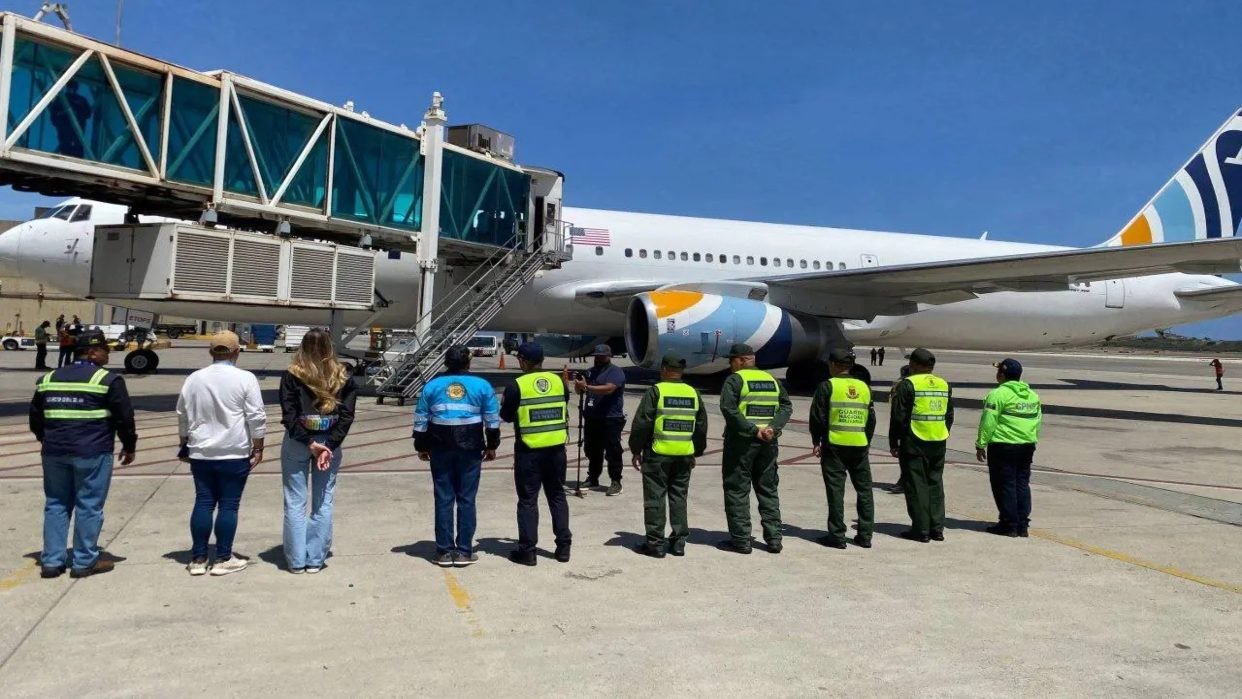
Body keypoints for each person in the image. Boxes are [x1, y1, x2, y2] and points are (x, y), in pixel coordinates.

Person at [29, 328, 136, 579]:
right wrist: (129, 446)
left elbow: (35, 418)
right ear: (92, 352)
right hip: (92, 451)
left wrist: (48, 439)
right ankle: (84, 562)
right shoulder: (107, 380)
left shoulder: (48, 378)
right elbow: (124, 418)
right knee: (89, 506)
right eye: (105, 349)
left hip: (54, 451)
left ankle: (52, 562)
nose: (108, 354)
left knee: (56, 504)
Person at [176, 331, 266, 576]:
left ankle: (198, 558)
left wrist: (184, 443)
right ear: (237, 352)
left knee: (203, 501)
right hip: (233, 451)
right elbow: (256, 416)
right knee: (229, 505)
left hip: (201, 452)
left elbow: (183, 414)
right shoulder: (245, 378)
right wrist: (258, 446)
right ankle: (223, 557)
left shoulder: (194, 379)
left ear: (210, 352)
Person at [414, 345, 500, 567]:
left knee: (444, 498)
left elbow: (421, 419)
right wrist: (492, 445)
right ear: (468, 362)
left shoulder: (432, 386)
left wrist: (421, 446)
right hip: (470, 446)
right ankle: (464, 551)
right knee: (466, 499)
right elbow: (492, 419)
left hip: (440, 446)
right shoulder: (482, 385)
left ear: (446, 363)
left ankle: (444, 551)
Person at [280, 328, 357, 574]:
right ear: (329, 348)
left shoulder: (292, 375)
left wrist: (309, 443)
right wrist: (329, 445)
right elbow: (346, 416)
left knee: (295, 501)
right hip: (329, 440)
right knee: (323, 501)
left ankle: (296, 561)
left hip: (299, 441)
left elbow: (289, 414)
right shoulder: (342, 375)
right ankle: (315, 559)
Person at [628, 352, 708, 558]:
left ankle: (655, 544)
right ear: (681, 371)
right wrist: (696, 451)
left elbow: (642, 423)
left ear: (663, 369)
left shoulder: (656, 391)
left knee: (655, 497)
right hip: (684, 454)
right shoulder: (692, 392)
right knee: (679, 497)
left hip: (658, 453)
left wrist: (636, 449)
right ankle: (679, 542)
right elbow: (701, 426)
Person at [717, 343, 793, 554]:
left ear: (741, 360)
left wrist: (753, 430)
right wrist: (773, 428)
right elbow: (786, 406)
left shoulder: (735, 380)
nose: (730, 364)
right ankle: (774, 539)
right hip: (768, 442)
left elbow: (729, 409)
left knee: (737, 489)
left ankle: (741, 540)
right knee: (768, 489)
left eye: (732, 360)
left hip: (742, 442)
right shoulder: (772, 380)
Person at [500, 342, 572, 565]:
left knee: (528, 501)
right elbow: (564, 402)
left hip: (529, 452)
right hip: (557, 450)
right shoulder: (558, 381)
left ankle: (528, 551)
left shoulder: (517, 385)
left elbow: (506, 415)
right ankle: (563, 548)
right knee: (557, 496)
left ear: (523, 361)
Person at [809, 349, 877, 549]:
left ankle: (837, 536)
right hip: (859, 444)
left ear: (833, 365)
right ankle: (865, 535)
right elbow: (871, 419)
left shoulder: (827, 386)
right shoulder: (864, 387)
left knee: (836, 491)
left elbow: (817, 417)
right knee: (864, 491)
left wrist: (816, 441)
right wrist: (866, 440)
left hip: (835, 445)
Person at [888, 348, 953, 543]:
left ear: (914, 364)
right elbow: (949, 415)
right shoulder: (944, 384)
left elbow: (898, 416)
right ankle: (937, 528)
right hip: (938, 440)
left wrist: (894, 441)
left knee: (916, 486)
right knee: (935, 484)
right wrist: (942, 431)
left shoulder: (908, 384)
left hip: (914, 441)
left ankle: (921, 529)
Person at [976, 358, 1041, 538]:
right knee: (1022, 483)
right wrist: (1032, 440)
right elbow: (1037, 421)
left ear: (1002, 375)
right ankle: (1022, 524)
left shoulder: (998, 394)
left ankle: (1009, 524)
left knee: (1004, 485)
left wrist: (981, 444)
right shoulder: (1032, 395)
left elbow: (988, 421)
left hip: (1003, 446)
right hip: (1027, 445)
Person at [573, 344, 626, 495]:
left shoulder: (615, 371)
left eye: (602, 356)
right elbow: (579, 390)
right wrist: (579, 385)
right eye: (597, 356)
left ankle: (616, 481)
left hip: (610, 418)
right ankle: (593, 478)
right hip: (592, 417)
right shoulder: (590, 372)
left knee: (613, 451)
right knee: (592, 449)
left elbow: (609, 388)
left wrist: (587, 387)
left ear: (609, 356)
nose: (599, 359)